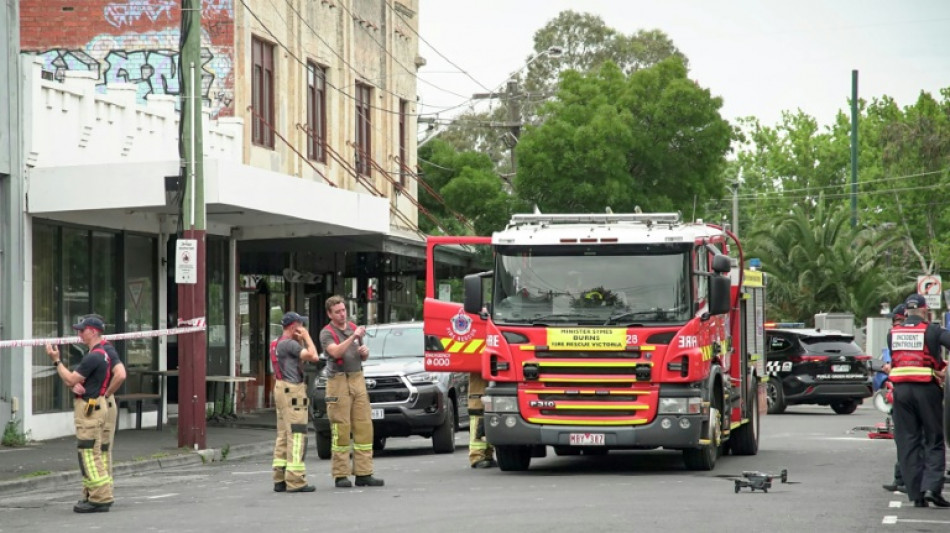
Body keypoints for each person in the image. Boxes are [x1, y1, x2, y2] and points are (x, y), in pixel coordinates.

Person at [45, 316, 116, 513]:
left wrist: (56, 360)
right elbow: (80, 382)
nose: (79, 334)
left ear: (93, 332)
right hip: (97, 404)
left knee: (89, 455)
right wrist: (79, 385)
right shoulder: (102, 354)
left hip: (90, 411)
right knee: (96, 454)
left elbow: (69, 379)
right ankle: (95, 494)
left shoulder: (94, 356)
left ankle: (100, 498)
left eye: (82, 330)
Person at [887, 294, 949, 508]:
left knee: (908, 441)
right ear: (924, 310)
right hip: (926, 389)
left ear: (905, 313)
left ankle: (916, 495)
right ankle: (932, 487)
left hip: (901, 392)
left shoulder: (893, 333)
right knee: (934, 439)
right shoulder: (931, 330)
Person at [319, 296, 384, 488]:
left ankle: (364, 473)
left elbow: (360, 355)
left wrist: (364, 352)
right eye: (337, 311)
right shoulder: (327, 333)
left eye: (343, 310)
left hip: (357, 378)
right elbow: (336, 352)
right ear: (329, 314)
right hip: (338, 381)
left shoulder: (352, 327)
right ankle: (341, 474)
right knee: (341, 428)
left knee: (364, 426)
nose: (342, 314)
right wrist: (353, 337)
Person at [271, 312, 319, 493]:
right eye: (301, 325)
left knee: (283, 434)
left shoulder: (276, 343)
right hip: (293, 390)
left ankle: (279, 478)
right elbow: (313, 356)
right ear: (293, 327)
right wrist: (306, 337)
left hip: (280, 388)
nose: (303, 328)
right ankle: (296, 480)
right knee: (297, 434)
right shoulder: (290, 344)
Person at [879, 303, 906, 493]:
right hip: (911, 392)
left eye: (896, 320)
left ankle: (907, 480)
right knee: (904, 438)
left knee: (908, 438)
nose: (894, 324)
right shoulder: (928, 334)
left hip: (907, 392)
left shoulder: (895, 336)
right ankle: (901, 479)